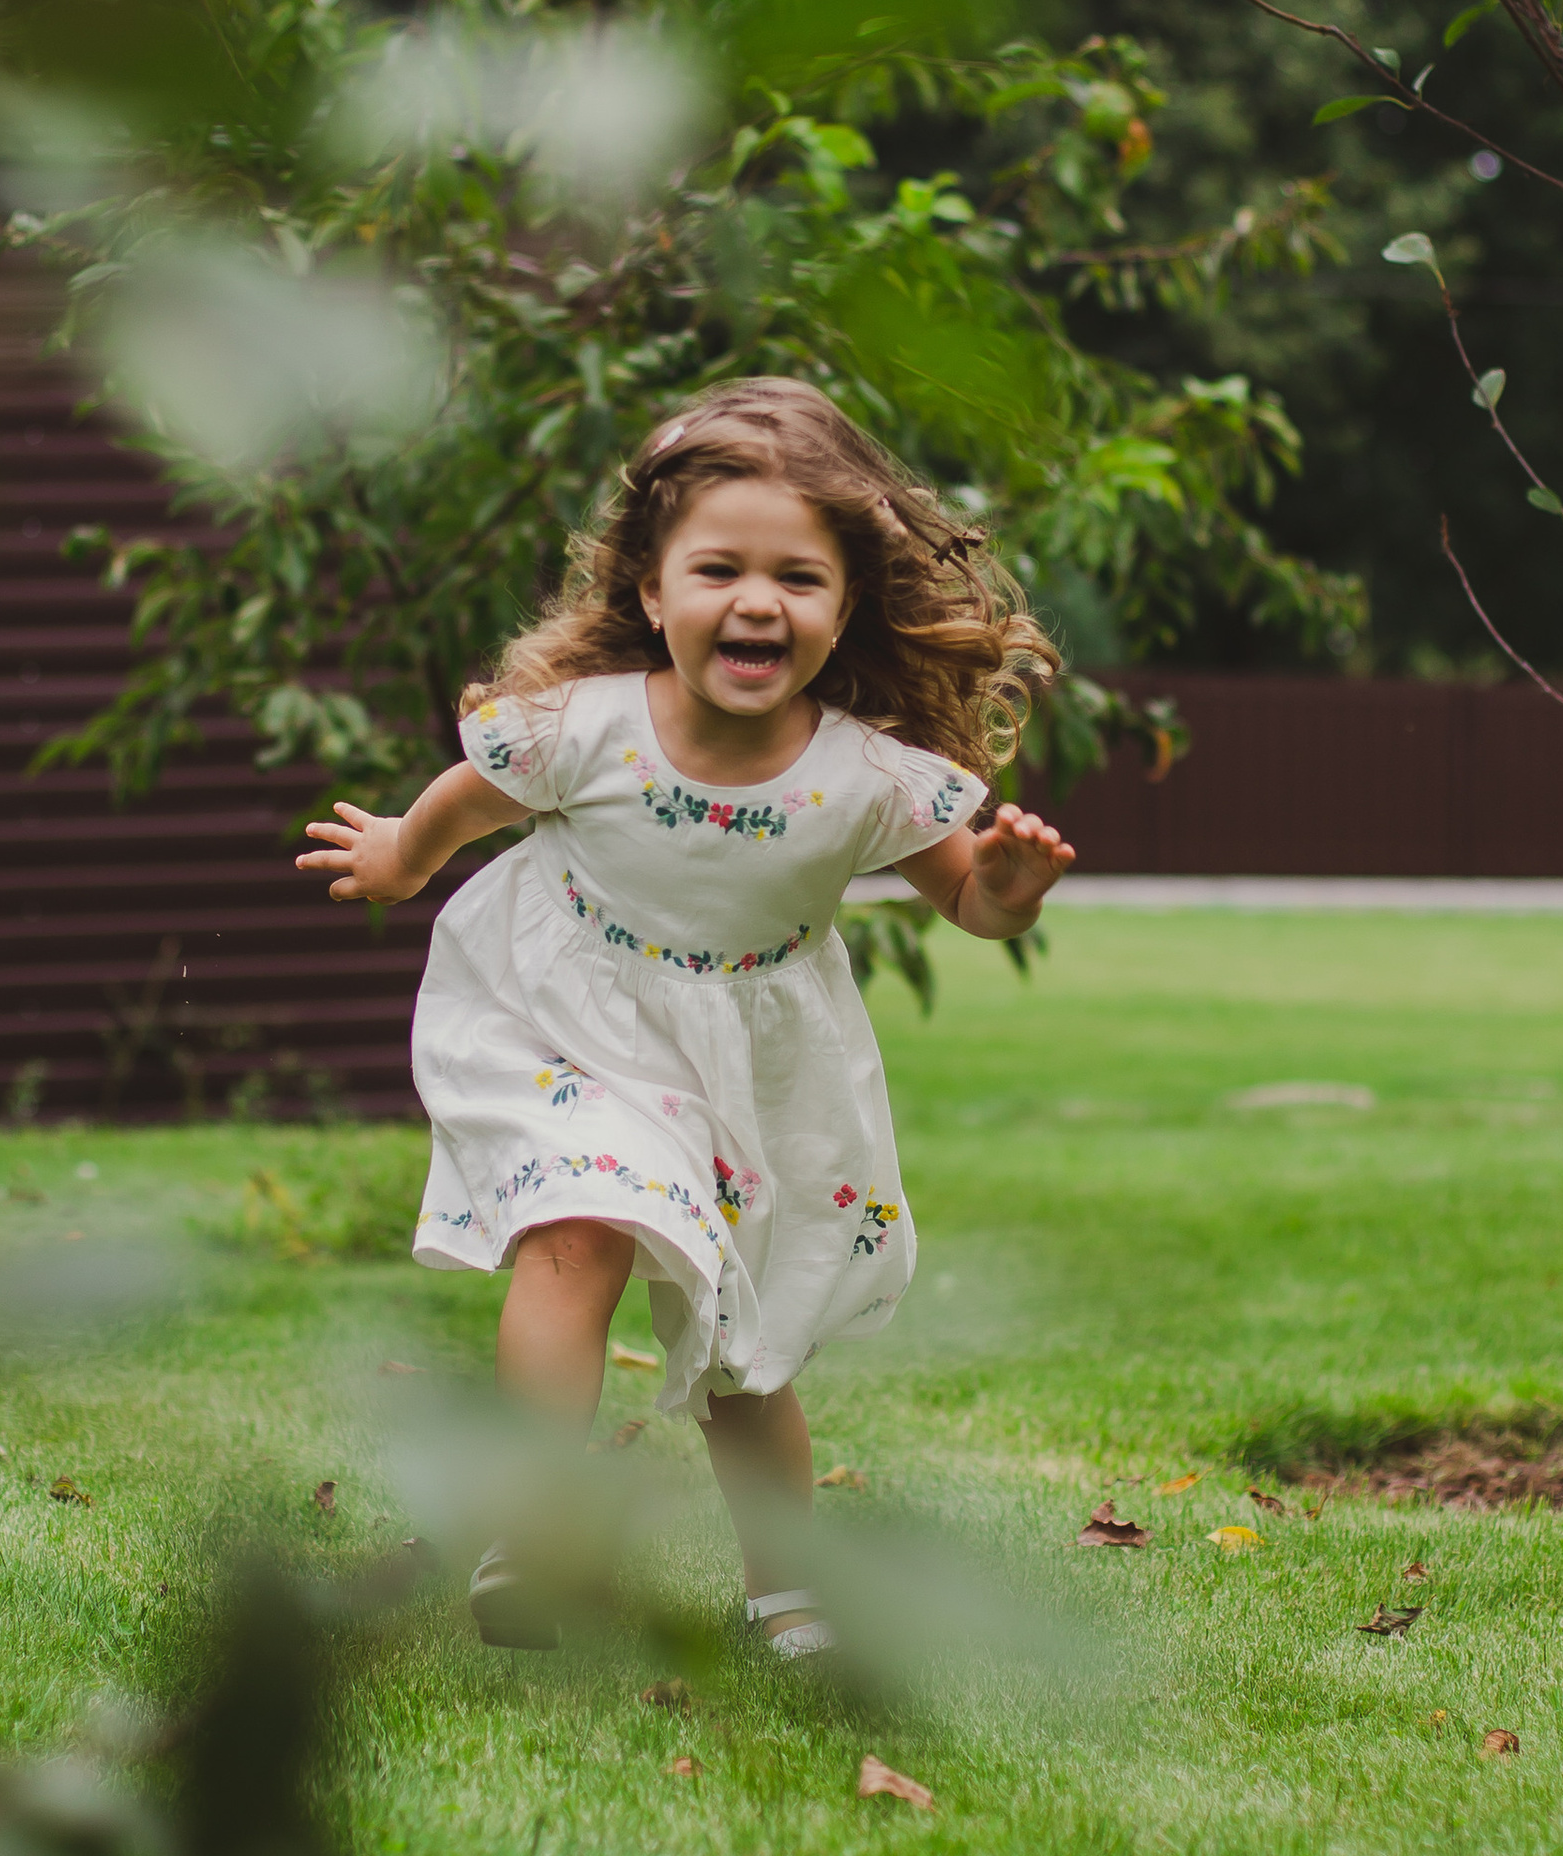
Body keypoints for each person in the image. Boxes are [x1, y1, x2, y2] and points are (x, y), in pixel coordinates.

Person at [295, 377, 1075, 1657]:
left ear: (845, 608)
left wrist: (1003, 887)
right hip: (562, 1018)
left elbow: (970, 907)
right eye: (717, 568)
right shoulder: (582, 731)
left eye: (798, 578)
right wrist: (399, 857)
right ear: (653, 592)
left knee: (745, 1347)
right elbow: (469, 797)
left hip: (751, 1065)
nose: (756, 600)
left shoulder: (873, 775)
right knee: (572, 1235)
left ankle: (787, 1584)